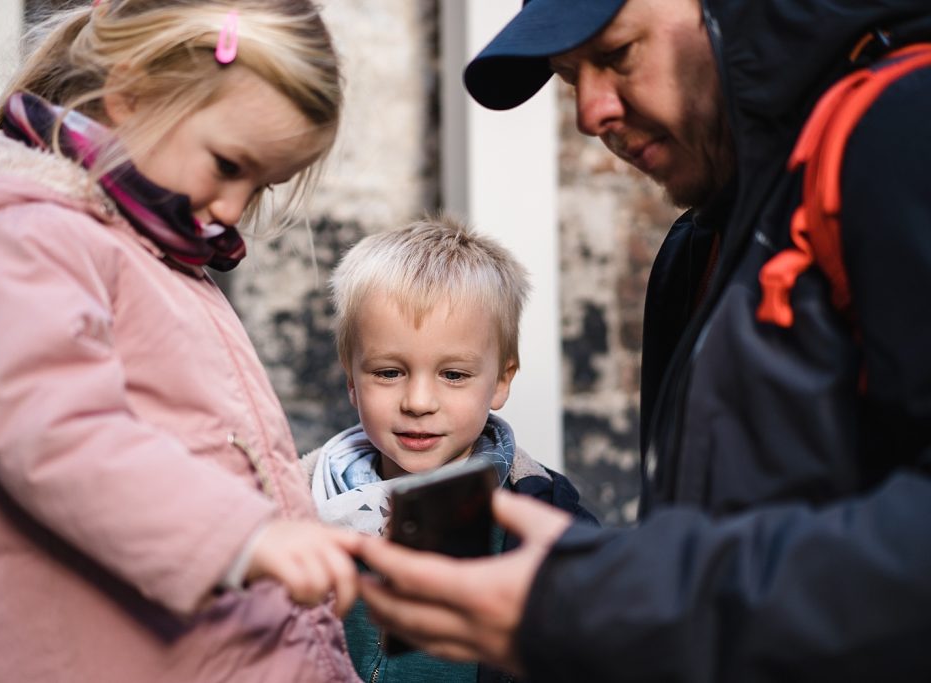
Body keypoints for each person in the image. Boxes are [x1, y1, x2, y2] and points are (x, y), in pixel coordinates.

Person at [356, 0, 931, 680]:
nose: (589, 113)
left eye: (619, 54)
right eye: (571, 76)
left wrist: (603, 592)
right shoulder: (697, 250)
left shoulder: (901, 127)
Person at [0, 1, 366, 681]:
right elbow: (59, 438)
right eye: (228, 164)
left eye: (260, 185)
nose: (234, 211)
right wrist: (246, 535)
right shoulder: (23, 239)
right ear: (129, 92)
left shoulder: (152, 252)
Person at [301, 214, 594, 682]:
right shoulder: (293, 504)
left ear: (501, 381)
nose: (418, 402)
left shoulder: (546, 519)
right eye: (388, 372)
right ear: (350, 380)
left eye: (453, 375)